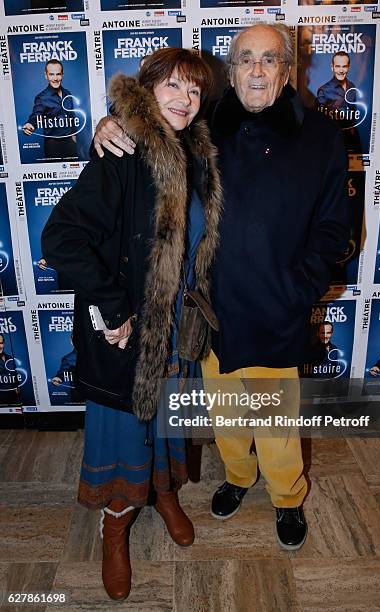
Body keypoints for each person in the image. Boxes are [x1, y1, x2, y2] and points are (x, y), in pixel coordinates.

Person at [94, 24, 348, 551]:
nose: (257, 70)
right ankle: (237, 476)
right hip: (210, 308)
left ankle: (287, 498)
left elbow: (334, 229)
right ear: (230, 72)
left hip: (278, 305)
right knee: (226, 412)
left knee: (276, 421)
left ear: (288, 70)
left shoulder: (322, 137)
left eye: (270, 59)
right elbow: (145, 141)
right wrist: (104, 125)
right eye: (246, 59)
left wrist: (302, 287)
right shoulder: (199, 125)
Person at [42, 48, 222, 601]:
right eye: (171, 87)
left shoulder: (197, 152)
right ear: (146, 89)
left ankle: (164, 495)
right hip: (129, 336)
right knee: (125, 435)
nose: (184, 101)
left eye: (194, 91)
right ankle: (115, 527)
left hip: (178, 331)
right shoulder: (120, 150)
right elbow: (61, 240)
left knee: (168, 428)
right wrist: (114, 308)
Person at [23, 60, 77, 160]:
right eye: (51, 74)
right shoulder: (41, 97)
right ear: (46, 75)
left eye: (58, 74)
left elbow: (72, 116)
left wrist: (74, 137)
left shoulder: (68, 93)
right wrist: (31, 124)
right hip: (53, 145)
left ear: (62, 75)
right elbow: (36, 115)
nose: (55, 78)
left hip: (70, 143)